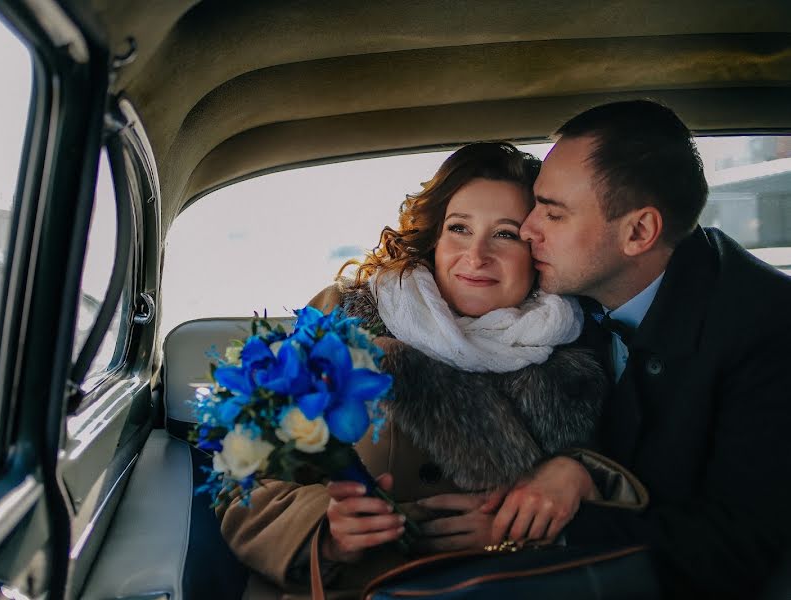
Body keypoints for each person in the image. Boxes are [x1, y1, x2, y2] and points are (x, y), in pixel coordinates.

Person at [217, 142, 646, 599]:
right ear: (434, 239)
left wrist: (570, 480)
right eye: (459, 228)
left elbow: (635, 488)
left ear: (536, 249)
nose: (476, 255)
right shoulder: (342, 322)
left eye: (504, 234)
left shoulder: (583, 348)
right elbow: (241, 477)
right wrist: (326, 529)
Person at [507, 99, 791, 598]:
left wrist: (542, 529)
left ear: (638, 232)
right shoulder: (555, 305)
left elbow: (735, 545)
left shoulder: (768, 328)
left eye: (553, 213)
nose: (527, 230)